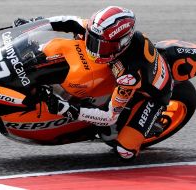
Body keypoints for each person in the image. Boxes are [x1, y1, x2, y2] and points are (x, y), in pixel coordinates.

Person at [13, 6, 173, 160]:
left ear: (122, 43)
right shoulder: (102, 32)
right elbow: (67, 21)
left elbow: (110, 116)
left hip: (154, 96)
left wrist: (68, 109)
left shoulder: (129, 74)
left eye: (102, 46)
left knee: (124, 151)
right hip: (126, 72)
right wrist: (32, 25)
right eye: (92, 40)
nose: (94, 48)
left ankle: (145, 126)